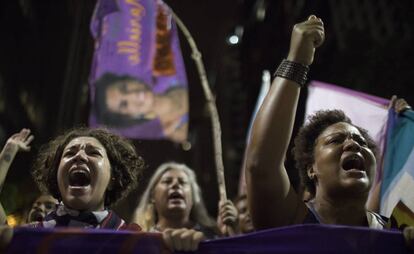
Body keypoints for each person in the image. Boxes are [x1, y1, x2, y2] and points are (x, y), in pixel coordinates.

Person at [244, 15, 389, 230]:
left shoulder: (398, 231)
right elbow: (260, 167)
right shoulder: (291, 224)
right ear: (311, 168)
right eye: (335, 140)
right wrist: (297, 61)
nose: (353, 144)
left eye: (363, 142)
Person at [0, 128, 203, 252]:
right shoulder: (27, 236)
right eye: (70, 153)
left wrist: (180, 246)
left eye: (93, 153)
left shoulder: (134, 239)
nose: (79, 156)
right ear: (56, 174)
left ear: (113, 178)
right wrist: (8, 151)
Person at [132, 162, 238, 238]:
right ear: (152, 197)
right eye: (167, 181)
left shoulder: (212, 237)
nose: (175, 184)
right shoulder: (141, 241)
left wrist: (231, 235)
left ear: (193, 198)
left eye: (183, 182)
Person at [93, 73, 188, 142]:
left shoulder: (175, 73)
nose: (134, 95)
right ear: (129, 117)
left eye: (124, 87)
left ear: (129, 79)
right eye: (124, 104)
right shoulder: (177, 134)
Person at [0, 129, 34, 224]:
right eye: (35, 206)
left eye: (48, 206)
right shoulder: (10, 235)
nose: (40, 208)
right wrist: (11, 148)